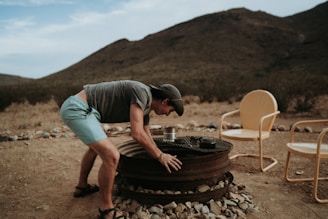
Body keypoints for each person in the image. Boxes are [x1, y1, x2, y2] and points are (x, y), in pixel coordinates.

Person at [60, 80, 184, 219]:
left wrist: (156, 155)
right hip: (78, 108)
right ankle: (106, 210)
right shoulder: (142, 93)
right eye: (171, 110)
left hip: (89, 112)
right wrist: (160, 156)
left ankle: (81, 187)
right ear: (165, 101)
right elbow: (137, 134)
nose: (168, 114)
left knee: (96, 148)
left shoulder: (146, 108)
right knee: (112, 155)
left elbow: (146, 137)